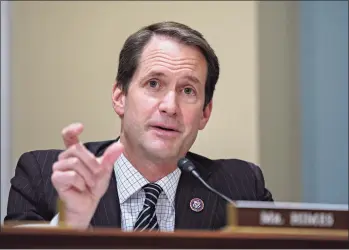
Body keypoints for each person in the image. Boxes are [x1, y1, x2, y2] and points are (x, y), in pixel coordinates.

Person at [5, 21, 273, 231]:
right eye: (154, 84)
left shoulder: (240, 188)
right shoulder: (44, 177)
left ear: (205, 113)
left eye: (188, 90)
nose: (170, 106)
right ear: (120, 97)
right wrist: (70, 225)